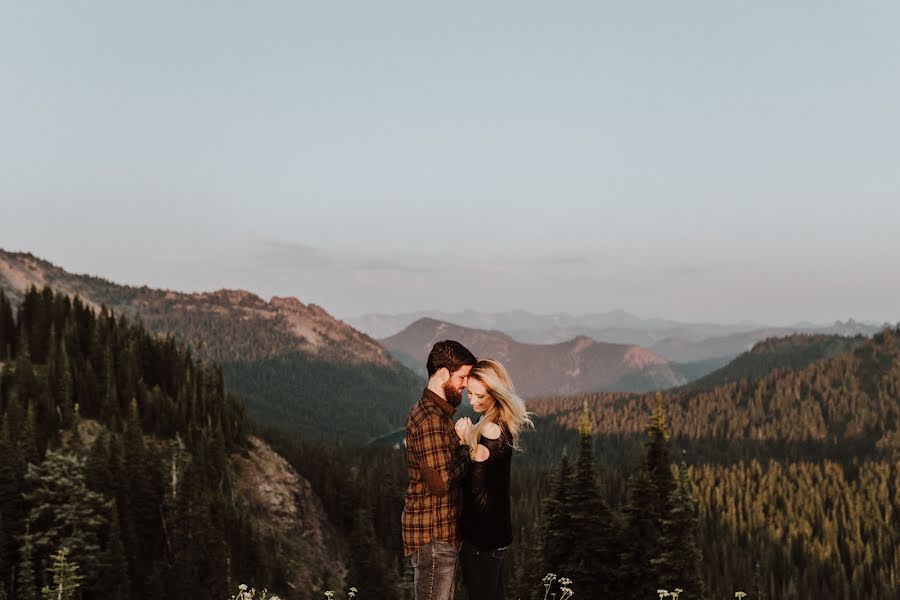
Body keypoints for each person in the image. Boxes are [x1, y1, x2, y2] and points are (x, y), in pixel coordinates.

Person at [402, 340, 477, 600]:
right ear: (444, 373)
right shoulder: (431, 418)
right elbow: (440, 482)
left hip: (439, 536)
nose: (466, 384)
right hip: (435, 537)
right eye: (462, 377)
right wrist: (466, 448)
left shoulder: (438, 413)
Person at [457, 359, 534, 600]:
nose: (472, 400)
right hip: (495, 535)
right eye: (470, 393)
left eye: (480, 395)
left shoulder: (489, 429)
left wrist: (462, 443)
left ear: (495, 392)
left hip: (480, 538)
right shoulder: (502, 421)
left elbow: (471, 486)